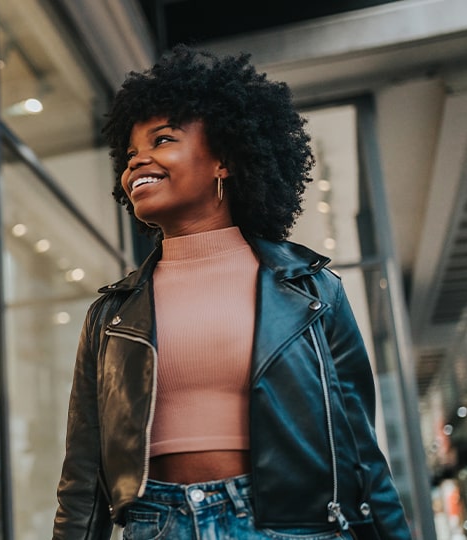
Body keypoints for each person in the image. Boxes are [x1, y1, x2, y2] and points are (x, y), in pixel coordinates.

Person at [52, 46, 411, 540]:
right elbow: (82, 479)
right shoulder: (110, 315)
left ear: (223, 159)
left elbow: (360, 451)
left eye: (162, 140)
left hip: (290, 526)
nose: (139, 161)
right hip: (158, 525)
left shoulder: (311, 291)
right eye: (131, 153)